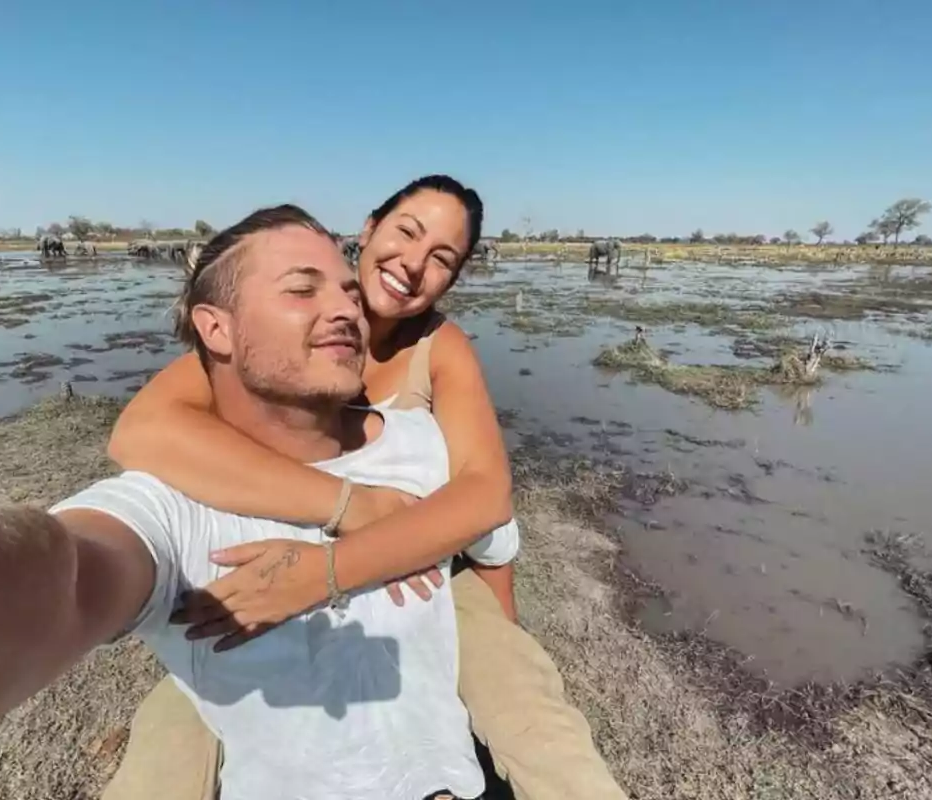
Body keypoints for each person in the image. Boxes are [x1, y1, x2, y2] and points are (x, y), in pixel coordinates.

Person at [0, 203, 520, 799]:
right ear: (215, 330)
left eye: (343, 290)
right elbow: (63, 579)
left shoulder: (427, 445)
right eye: (303, 290)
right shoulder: (172, 503)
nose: (345, 309)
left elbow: (492, 529)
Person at [105, 176, 627, 800]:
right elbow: (141, 433)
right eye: (407, 232)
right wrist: (349, 507)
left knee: (542, 730)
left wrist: (332, 569)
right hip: (278, 551)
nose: (414, 263)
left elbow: (486, 495)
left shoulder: (439, 348)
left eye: (442, 259)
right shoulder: (265, 337)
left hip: (425, 568)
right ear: (369, 228)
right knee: (165, 746)